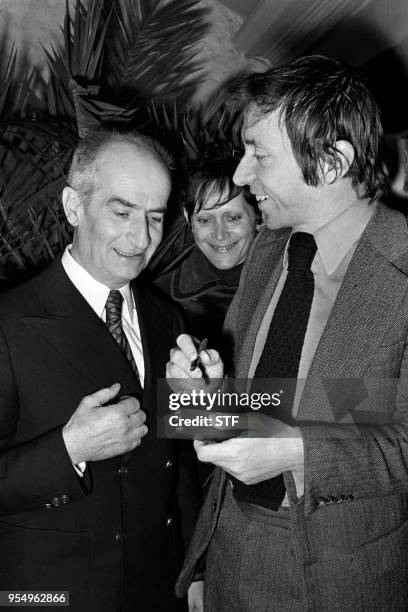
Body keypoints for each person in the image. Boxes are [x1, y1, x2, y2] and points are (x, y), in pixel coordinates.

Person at [167, 55, 408, 610]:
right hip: (227, 553)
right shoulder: (268, 250)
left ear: (330, 162)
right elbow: (246, 412)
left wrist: (299, 450)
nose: (241, 174)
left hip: (342, 581)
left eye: (260, 154)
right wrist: (200, 397)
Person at [0, 128, 200, 611]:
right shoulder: (8, 323)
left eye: (155, 216)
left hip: (157, 591)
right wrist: (68, 449)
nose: (141, 237)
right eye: (121, 211)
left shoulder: (166, 318)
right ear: (74, 207)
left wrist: (198, 570)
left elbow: (183, 467)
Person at [154, 144, 259, 360]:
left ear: (257, 215)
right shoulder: (160, 300)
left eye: (233, 218)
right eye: (205, 220)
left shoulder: (290, 279)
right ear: (187, 218)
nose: (220, 235)